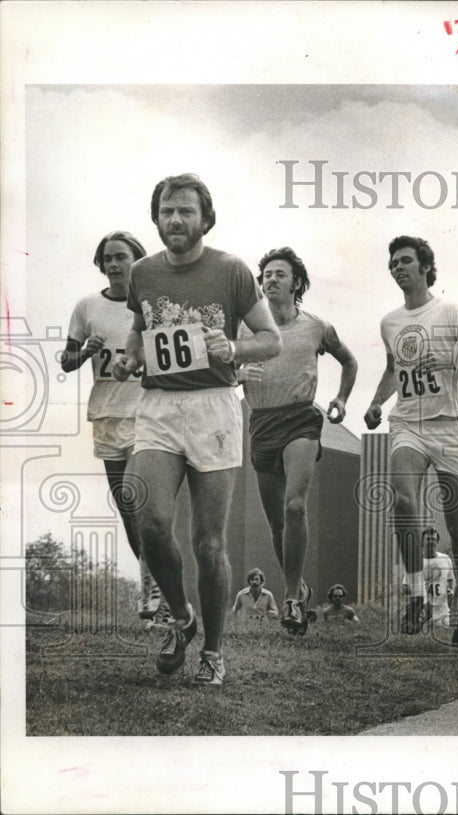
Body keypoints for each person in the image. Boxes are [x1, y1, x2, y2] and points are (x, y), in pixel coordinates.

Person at [112, 173, 282, 685]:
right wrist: (128, 357)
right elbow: (140, 329)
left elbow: (271, 340)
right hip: (159, 407)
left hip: (213, 408)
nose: (175, 220)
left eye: (185, 211)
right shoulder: (143, 273)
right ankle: (181, 617)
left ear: (205, 218)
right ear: (156, 218)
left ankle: (212, 650)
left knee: (209, 542)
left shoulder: (231, 271)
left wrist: (234, 349)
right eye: (167, 212)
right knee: (147, 517)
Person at [363, 235, 458, 647]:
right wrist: (375, 402)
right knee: (403, 500)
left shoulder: (450, 311)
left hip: (453, 427)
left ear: (425, 267)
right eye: (393, 263)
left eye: (405, 261)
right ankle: (417, 594)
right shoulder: (390, 322)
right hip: (409, 424)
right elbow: (391, 368)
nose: (398, 268)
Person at [239, 246, 358, 636]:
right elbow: (222, 369)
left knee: (294, 506)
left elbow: (349, 360)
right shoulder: (244, 328)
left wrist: (340, 398)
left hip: (301, 419)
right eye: (266, 274)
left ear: (296, 283)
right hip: (262, 422)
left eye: (280, 274)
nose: (271, 279)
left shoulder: (315, 326)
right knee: (276, 523)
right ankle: (301, 586)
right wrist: (238, 375)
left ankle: (290, 595)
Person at [61, 231, 162, 621]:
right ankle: (158, 587)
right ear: (101, 265)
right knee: (126, 508)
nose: (115, 265)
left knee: (140, 501)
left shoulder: (152, 305)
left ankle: (154, 586)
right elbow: (67, 361)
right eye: (108, 258)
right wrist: (86, 351)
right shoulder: (87, 306)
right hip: (106, 415)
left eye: (122, 257)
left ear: (137, 260)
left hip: (145, 413)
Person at [422, 527, 455, 630]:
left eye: (434, 540)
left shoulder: (445, 559)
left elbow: (451, 579)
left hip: (442, 611)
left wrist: (451, 590)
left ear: (437, 542)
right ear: (422, 542)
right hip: (422, 612)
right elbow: (406, 585)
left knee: (442, 640)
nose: (431, 542)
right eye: (428, 539)